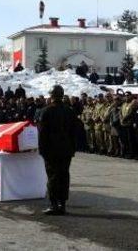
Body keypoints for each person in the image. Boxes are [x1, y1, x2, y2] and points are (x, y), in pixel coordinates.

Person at [38, 85, 80, 215]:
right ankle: (62, 204)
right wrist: (73, 148)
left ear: (51, 96)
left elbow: (42, 134)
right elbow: (74, 132)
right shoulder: (70, 111)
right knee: (64, 176)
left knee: (52, 177)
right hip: (66, 150)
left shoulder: (46, 111)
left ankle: (54, 204)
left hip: (51, 150)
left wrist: (42, 150)